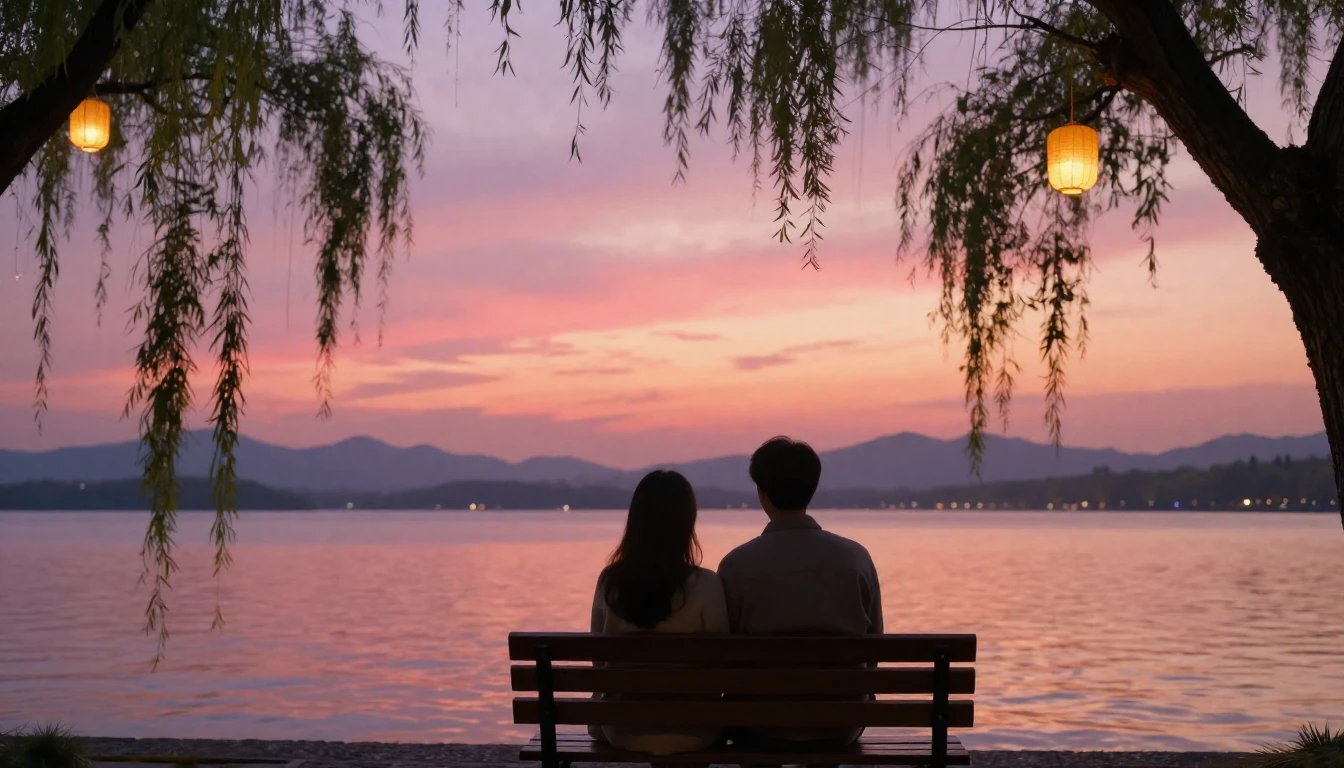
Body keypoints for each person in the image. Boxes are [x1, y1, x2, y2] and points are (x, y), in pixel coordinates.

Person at [717, 436, 885, 749]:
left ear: (762, 494)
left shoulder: (736, 565)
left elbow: (725, 657)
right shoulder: (856, 558)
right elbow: (874, 646)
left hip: (759, 723)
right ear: (812, 489)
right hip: (840, 723)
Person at [588, 469, 729, 756]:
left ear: (635, 521)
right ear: (687, 523)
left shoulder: (610, 582)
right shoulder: (706, 584)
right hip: (694, 731)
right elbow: (721, 665)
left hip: (624, 729)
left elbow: (599, 661)